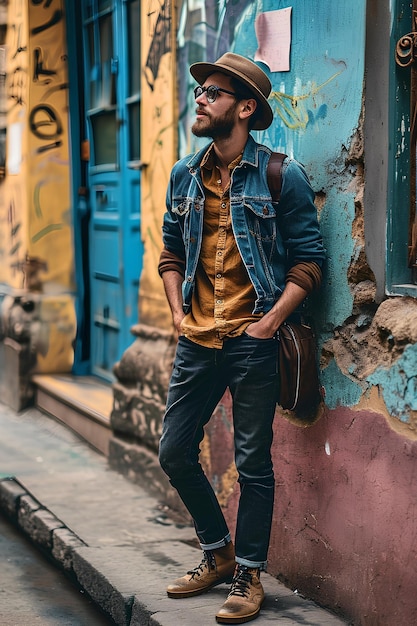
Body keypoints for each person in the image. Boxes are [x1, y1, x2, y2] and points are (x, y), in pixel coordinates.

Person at [158, 52, 325, 624]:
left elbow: (310, 261)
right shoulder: (185, 174)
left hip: (253, 340)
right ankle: (218, 551)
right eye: (200, 88)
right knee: (174, 450)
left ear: (246, 108)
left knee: (253, 464)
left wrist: (269, 322)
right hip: (197, 339)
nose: (200, 98)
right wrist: (178, 314)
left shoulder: (281, 175)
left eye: (214, 91)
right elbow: (170, 252)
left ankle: (249, 574)